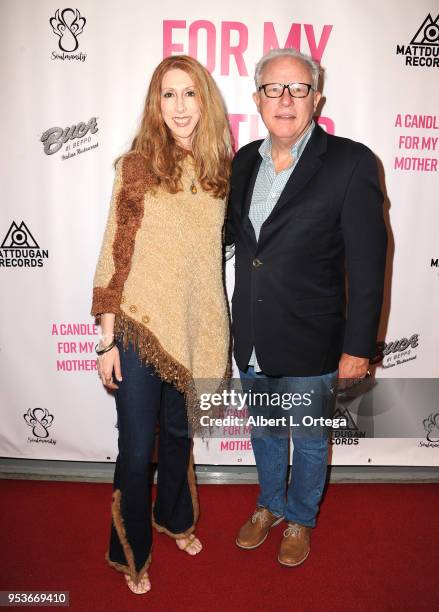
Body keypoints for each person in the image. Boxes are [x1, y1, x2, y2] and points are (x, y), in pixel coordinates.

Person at [226, 48, 387, 566]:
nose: (286, 100)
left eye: (298, 89)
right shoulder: (243, 160)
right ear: (257, 99)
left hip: (315, 340)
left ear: (317, 98)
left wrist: (357, 349)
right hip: (252, 334)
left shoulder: (351, 162)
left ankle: (301, 519)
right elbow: (235, 242)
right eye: (274, 89)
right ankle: (269, 504)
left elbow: (367, 266)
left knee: (312, 441)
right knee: (267, 430)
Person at [91, 55, 232, 594]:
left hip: (192, 329)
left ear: (205, 101)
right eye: (168, 95)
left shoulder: (223, 170)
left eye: (189, 93)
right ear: (156, 103)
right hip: (136, 328)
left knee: (177, 436)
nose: (179, 106)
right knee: (134, 448)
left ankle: (174, 518)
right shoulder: (137, 167)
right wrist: (105, 340)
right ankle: (129, 552)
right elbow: (113, 257)